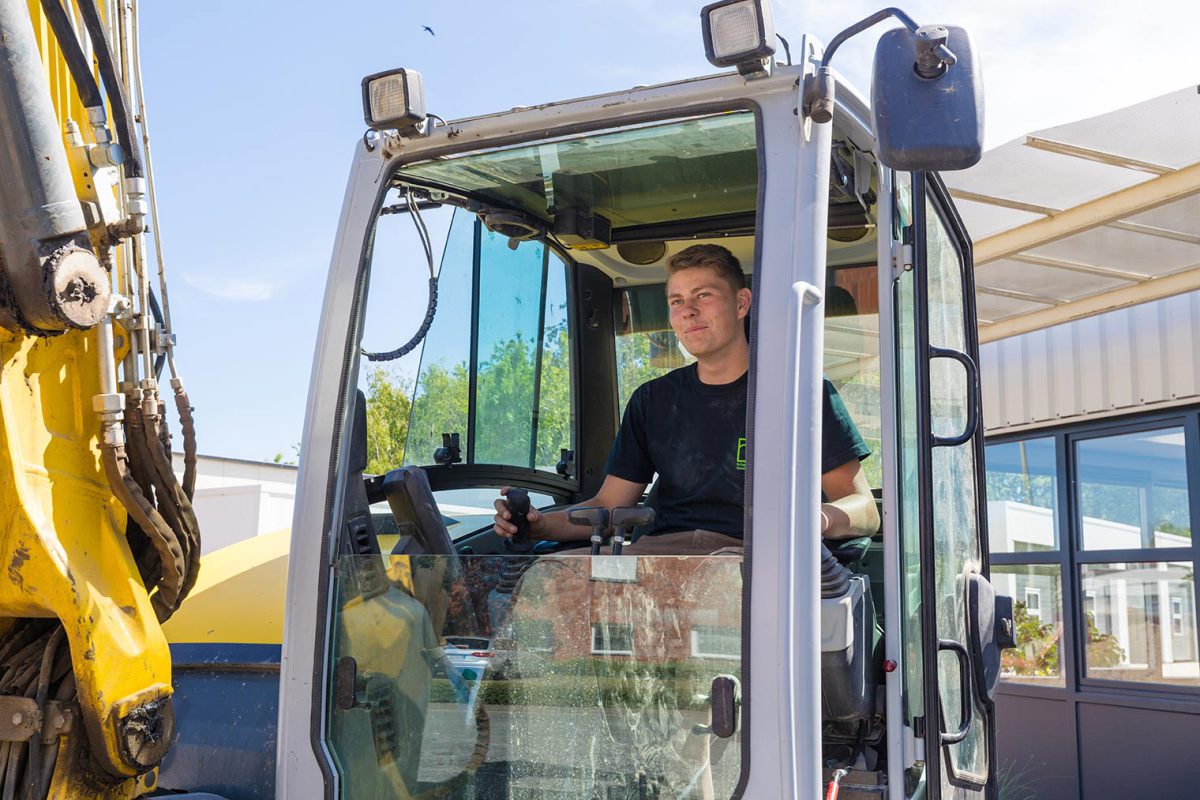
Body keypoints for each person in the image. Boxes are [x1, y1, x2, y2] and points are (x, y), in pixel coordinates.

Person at [492, 244, 879, 554]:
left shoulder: (801, 394)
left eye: (703, 295)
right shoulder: (652, 401)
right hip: (663, 556)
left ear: (742, 303)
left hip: (754, 561)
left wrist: (817, 519)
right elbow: (609, 508)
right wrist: (539, 524)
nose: (688, 311)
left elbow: (865, 510)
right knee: (551, 581)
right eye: (676, 301)